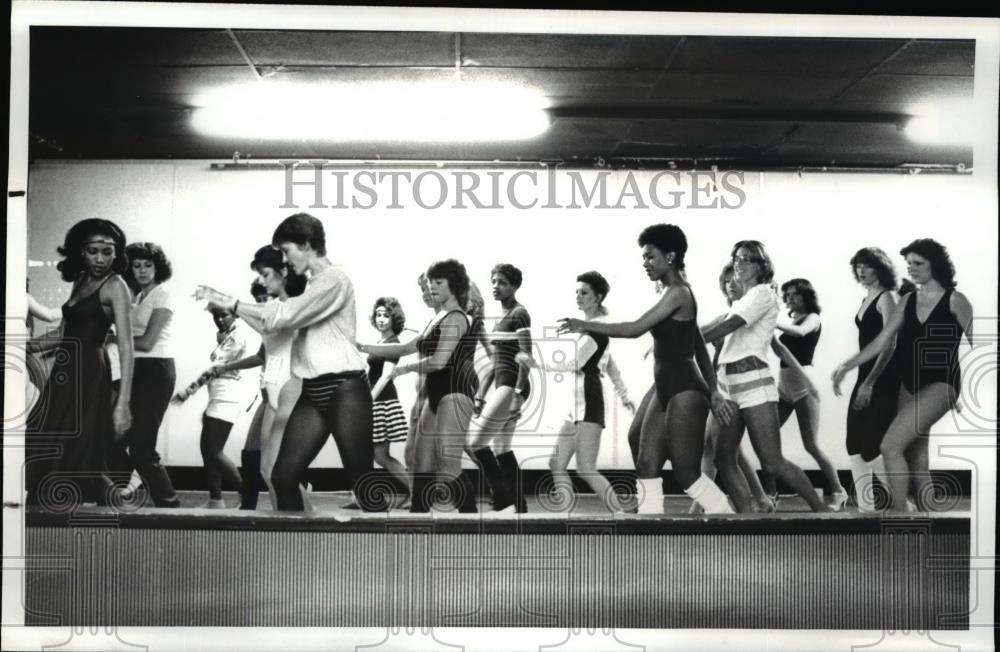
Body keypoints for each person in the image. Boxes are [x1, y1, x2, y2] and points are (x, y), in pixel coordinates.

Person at [197, 213, 380, 512]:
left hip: (345, 388)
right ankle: (299, 549)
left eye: (286, 251)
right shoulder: (312, 285)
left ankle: (390, 554)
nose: (284, 259)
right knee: (282, 477)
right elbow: (275, 324)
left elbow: (288, 315)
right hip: (314, 388)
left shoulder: (335, 279)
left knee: (362, 481)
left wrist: (231, 303)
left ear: (307, 245)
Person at [559, 224, 735, 514]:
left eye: (650, 256)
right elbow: (699, 341)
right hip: (665, 387)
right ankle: (651, 523)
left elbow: (635, 328)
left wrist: (585, 324)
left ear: (671, 256)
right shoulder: (668, 291)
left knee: (686, 474)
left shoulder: (678, 292)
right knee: (644, 459)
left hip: (685, 389)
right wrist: (714, 388)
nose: (645, 263)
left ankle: (728, 519)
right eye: (643, 257)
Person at [833, 239, 973, 511]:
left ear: (937, 265)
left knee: (890, 446)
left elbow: (982, 346)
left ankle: (899, 518)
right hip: (908, 385)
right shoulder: (907, 300)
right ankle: (929, 524)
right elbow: (882, 341)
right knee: (917, 459)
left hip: (941, 384)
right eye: (909, 264)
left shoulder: (956, 300)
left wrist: (971, 393)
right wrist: (847, 366)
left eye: (918, 263)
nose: (911, 269)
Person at [702, 241, 829, 513]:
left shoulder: (763, 293)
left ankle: (820, 509)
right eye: (737, 258)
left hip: (755, 385)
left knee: (771, 461)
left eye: (748, 259)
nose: (739, 263)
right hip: (728, 385)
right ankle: (747, 516)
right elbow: (716, 324)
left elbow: (728, 326)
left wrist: (687, 341)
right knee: (724, 457)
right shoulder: (742, 300)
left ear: (762, 266)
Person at [26, 218, 134, 507]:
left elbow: (127, 346)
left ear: (116, 253)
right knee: (51, 440)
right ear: (81, 252)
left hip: (89, 372)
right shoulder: (81, 279)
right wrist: (24, 346)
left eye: (108, 251)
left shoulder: (116, 286)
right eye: (93, 251)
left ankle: (120, 512)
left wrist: (122, 404)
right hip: (65, 370)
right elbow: (63, 333)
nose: (101, 258)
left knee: (77, 446)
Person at [359, 260, 479, 513]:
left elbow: (438, 362)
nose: (432, 287)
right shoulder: (437, 319)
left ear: (454, 285)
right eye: (430, 282)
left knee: (448, 466)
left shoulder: (457, 318)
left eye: (438, 283)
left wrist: (405, 369)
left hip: (455, 394)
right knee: (421, 465)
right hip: (435, 394)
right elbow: (404, 348)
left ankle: (471, 523)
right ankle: (418, 520)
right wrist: (362, 347)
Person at [519, 271, 634, 512]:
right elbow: (610, 364)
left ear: (598, 297)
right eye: (577, 292)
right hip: (576, 406)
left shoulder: (598, 329)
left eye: (584, 293)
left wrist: (535, 363)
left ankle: (623, 516)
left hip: (589, 401)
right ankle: (566, 515)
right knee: (556, 462)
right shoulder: (592, 328)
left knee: (585, 468)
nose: (578, 297)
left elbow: (575, 364)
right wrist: (624, 396)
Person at [235, 247, 312, 511]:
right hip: (273, 390)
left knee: (281, 472)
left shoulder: (295, 305)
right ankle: (287, 519)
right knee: (268, 470)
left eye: (265, 274)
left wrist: (233, 307)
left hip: (293, 387)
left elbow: (275, 326)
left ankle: (306, 519)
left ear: (283, 273)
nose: (261, 281)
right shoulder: (274, 305)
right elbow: (268, 332)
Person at [106, 242, 181, 508]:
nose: (141, 270)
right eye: (136, 265)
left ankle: (169, 502)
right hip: (135, 371)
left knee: (141, 448)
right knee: (114, 438)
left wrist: (114, 337)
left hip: (157, 371)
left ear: (157, 267)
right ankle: (116, 495)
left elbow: (148, 342)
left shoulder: (164, 294)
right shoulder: (137, 297)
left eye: (147, 265)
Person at [698, 263, 775, 513]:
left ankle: (704, 506)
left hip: (737, 387)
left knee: (719, 448)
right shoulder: (726, 316)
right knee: (723, 449)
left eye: (735, 280)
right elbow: (705, 345)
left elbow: (775, 346)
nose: (730, 284)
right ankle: (759, 498)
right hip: (723, 385)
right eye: (726, 281)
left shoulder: (743, 317)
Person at [767, 278, 847, 503]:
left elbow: (800, 333)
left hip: (804, 386)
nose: (790, 298)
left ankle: (839, 491)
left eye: (795, 294)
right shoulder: (790, 320)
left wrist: (773, 321)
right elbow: (779, 348)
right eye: (788, 294)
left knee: (811, 445)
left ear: (806, 297)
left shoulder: (812, 318)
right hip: (784, 387)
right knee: (768, 442)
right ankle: (771, 493)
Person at [835, 247, 899, 512]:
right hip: (865, 376)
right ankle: (866, 508)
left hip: (882, 379)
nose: (861, 270)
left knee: (871, 446)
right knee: (853, 445)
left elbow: (890, 343)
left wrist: (870, 382)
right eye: (858, 265)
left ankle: (900, 502)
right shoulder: (866, 299)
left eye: (867, 265)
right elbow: (868, 345)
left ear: (880, 268)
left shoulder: (887, 298)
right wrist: (846, 367)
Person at [466, 264, 533, 513]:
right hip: (502, 385)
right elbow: (495, 363)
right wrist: (481, 395)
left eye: (502, 282)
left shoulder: (519, 313)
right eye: (493, 281)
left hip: (512, 386)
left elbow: (527, 355)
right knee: (501, 448)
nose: (496, 286)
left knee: (476, 443)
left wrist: (516, 395)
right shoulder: (501, 320)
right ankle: (520, 506)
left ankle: (504, 501)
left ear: (514, 286)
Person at [172, 307, 248, 508]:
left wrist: (188, 391)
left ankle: (247, 495)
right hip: (217, 396)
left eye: (225, 315)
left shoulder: (236, 337)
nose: (220, 319)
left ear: (235, 315)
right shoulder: (224, 336)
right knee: (208, 450)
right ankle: (216, 500)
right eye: (217, 315)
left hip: (227, 397)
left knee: (213, 451)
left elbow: (215, 369)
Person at [353, 297, 410, 506]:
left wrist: (368, 400)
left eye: (386, 315)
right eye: (378, 314)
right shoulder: (380, 342)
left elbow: (386, 376)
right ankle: (359, 496)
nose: (381, 319)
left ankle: (417, 492)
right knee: (367, 453)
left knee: (381, 456)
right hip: (376, 400)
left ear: (394, 318)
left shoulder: (393, 343)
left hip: (383, 401)